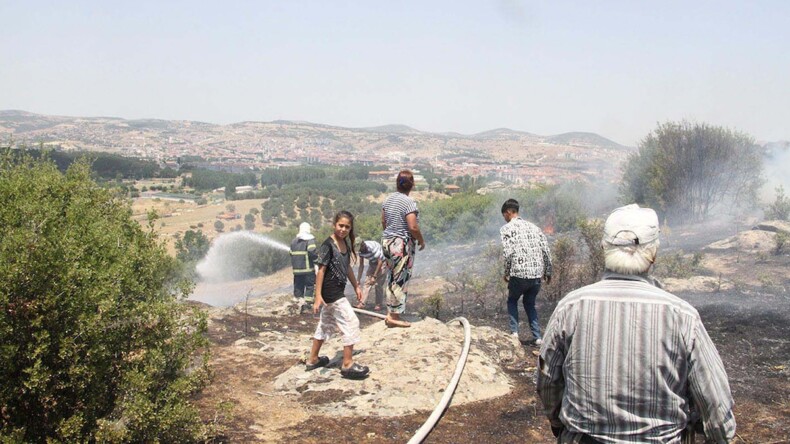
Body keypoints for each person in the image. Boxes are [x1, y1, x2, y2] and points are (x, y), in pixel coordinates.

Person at [537, 204, 736, 443]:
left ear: (604, 249)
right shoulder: (683, 316)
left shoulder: (571, 307)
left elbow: (547, 381)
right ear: (653, 254)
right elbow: (715, 401)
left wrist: (558, 423)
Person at [305, 211, 369, 380]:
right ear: (334, 224)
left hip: (336, 291)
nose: (343, 229)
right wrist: (317, 296)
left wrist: (356, 286)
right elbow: (321, 271)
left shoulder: (344, 243)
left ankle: (313, 359)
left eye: (347, 227)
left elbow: (347, 267)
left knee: (326, 324)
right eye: (341, 225)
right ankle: (347, 364)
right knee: (351, 322)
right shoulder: (328, 245)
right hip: (331, 292)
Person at [499, 198, 552, 344]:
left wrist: (507, 272)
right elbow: (546, 251)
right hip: (536, 275)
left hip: (519, 273)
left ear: (509, 212)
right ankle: (537, 337)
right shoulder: (535, 228)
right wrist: (548, 271)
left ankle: (514, 334)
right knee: (530, 304)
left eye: (504, 215)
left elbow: (508, 253)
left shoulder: (506, 229)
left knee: (512, 300)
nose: (504, 219)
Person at [381, 170, 425, 328]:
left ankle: (391, 312)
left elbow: (384, 222)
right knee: (400, 279)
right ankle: (394, 316)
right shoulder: (409, 203)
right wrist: (421, 240)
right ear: (412, 185)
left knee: (391, 277)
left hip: (387, 241)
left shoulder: (388, 200)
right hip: (401, 244)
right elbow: (412, 226)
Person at [290, 222, 317, 307]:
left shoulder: (293, 241)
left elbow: (291, 253)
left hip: (296, 271)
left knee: (298, 286)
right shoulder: (309, 240)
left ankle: (298, 302)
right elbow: (312, 251)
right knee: (309, 286)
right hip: (308, 270)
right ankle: (307, 304)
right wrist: (317, 259)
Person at [355, 240, 386, 311]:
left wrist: (374, 276)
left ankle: (378, 304)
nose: (360, 250)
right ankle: (362, 303)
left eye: (361, 248)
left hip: (382, 263)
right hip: (372, 263)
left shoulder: (372, 247)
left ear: (363, 245)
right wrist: (358, 280)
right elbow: (361, 265)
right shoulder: (360, 251)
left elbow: (380, 261)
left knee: (378, 284)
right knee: (367, 283)